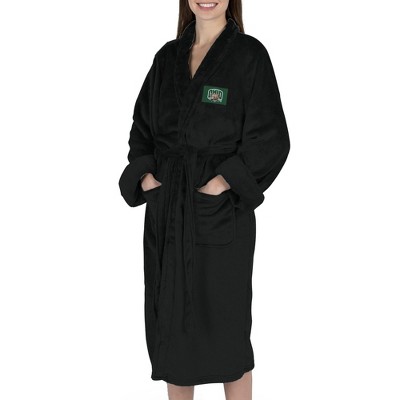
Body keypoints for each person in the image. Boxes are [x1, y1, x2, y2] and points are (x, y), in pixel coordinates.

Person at [118, 0, 290, 399]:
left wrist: (225, 182)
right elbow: (142, 130)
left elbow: (271, 138)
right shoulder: (166, 59)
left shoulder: (249, 56)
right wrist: (146, 177)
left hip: (221, 217)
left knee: (229, 337)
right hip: (168, 215)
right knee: (173, 339)